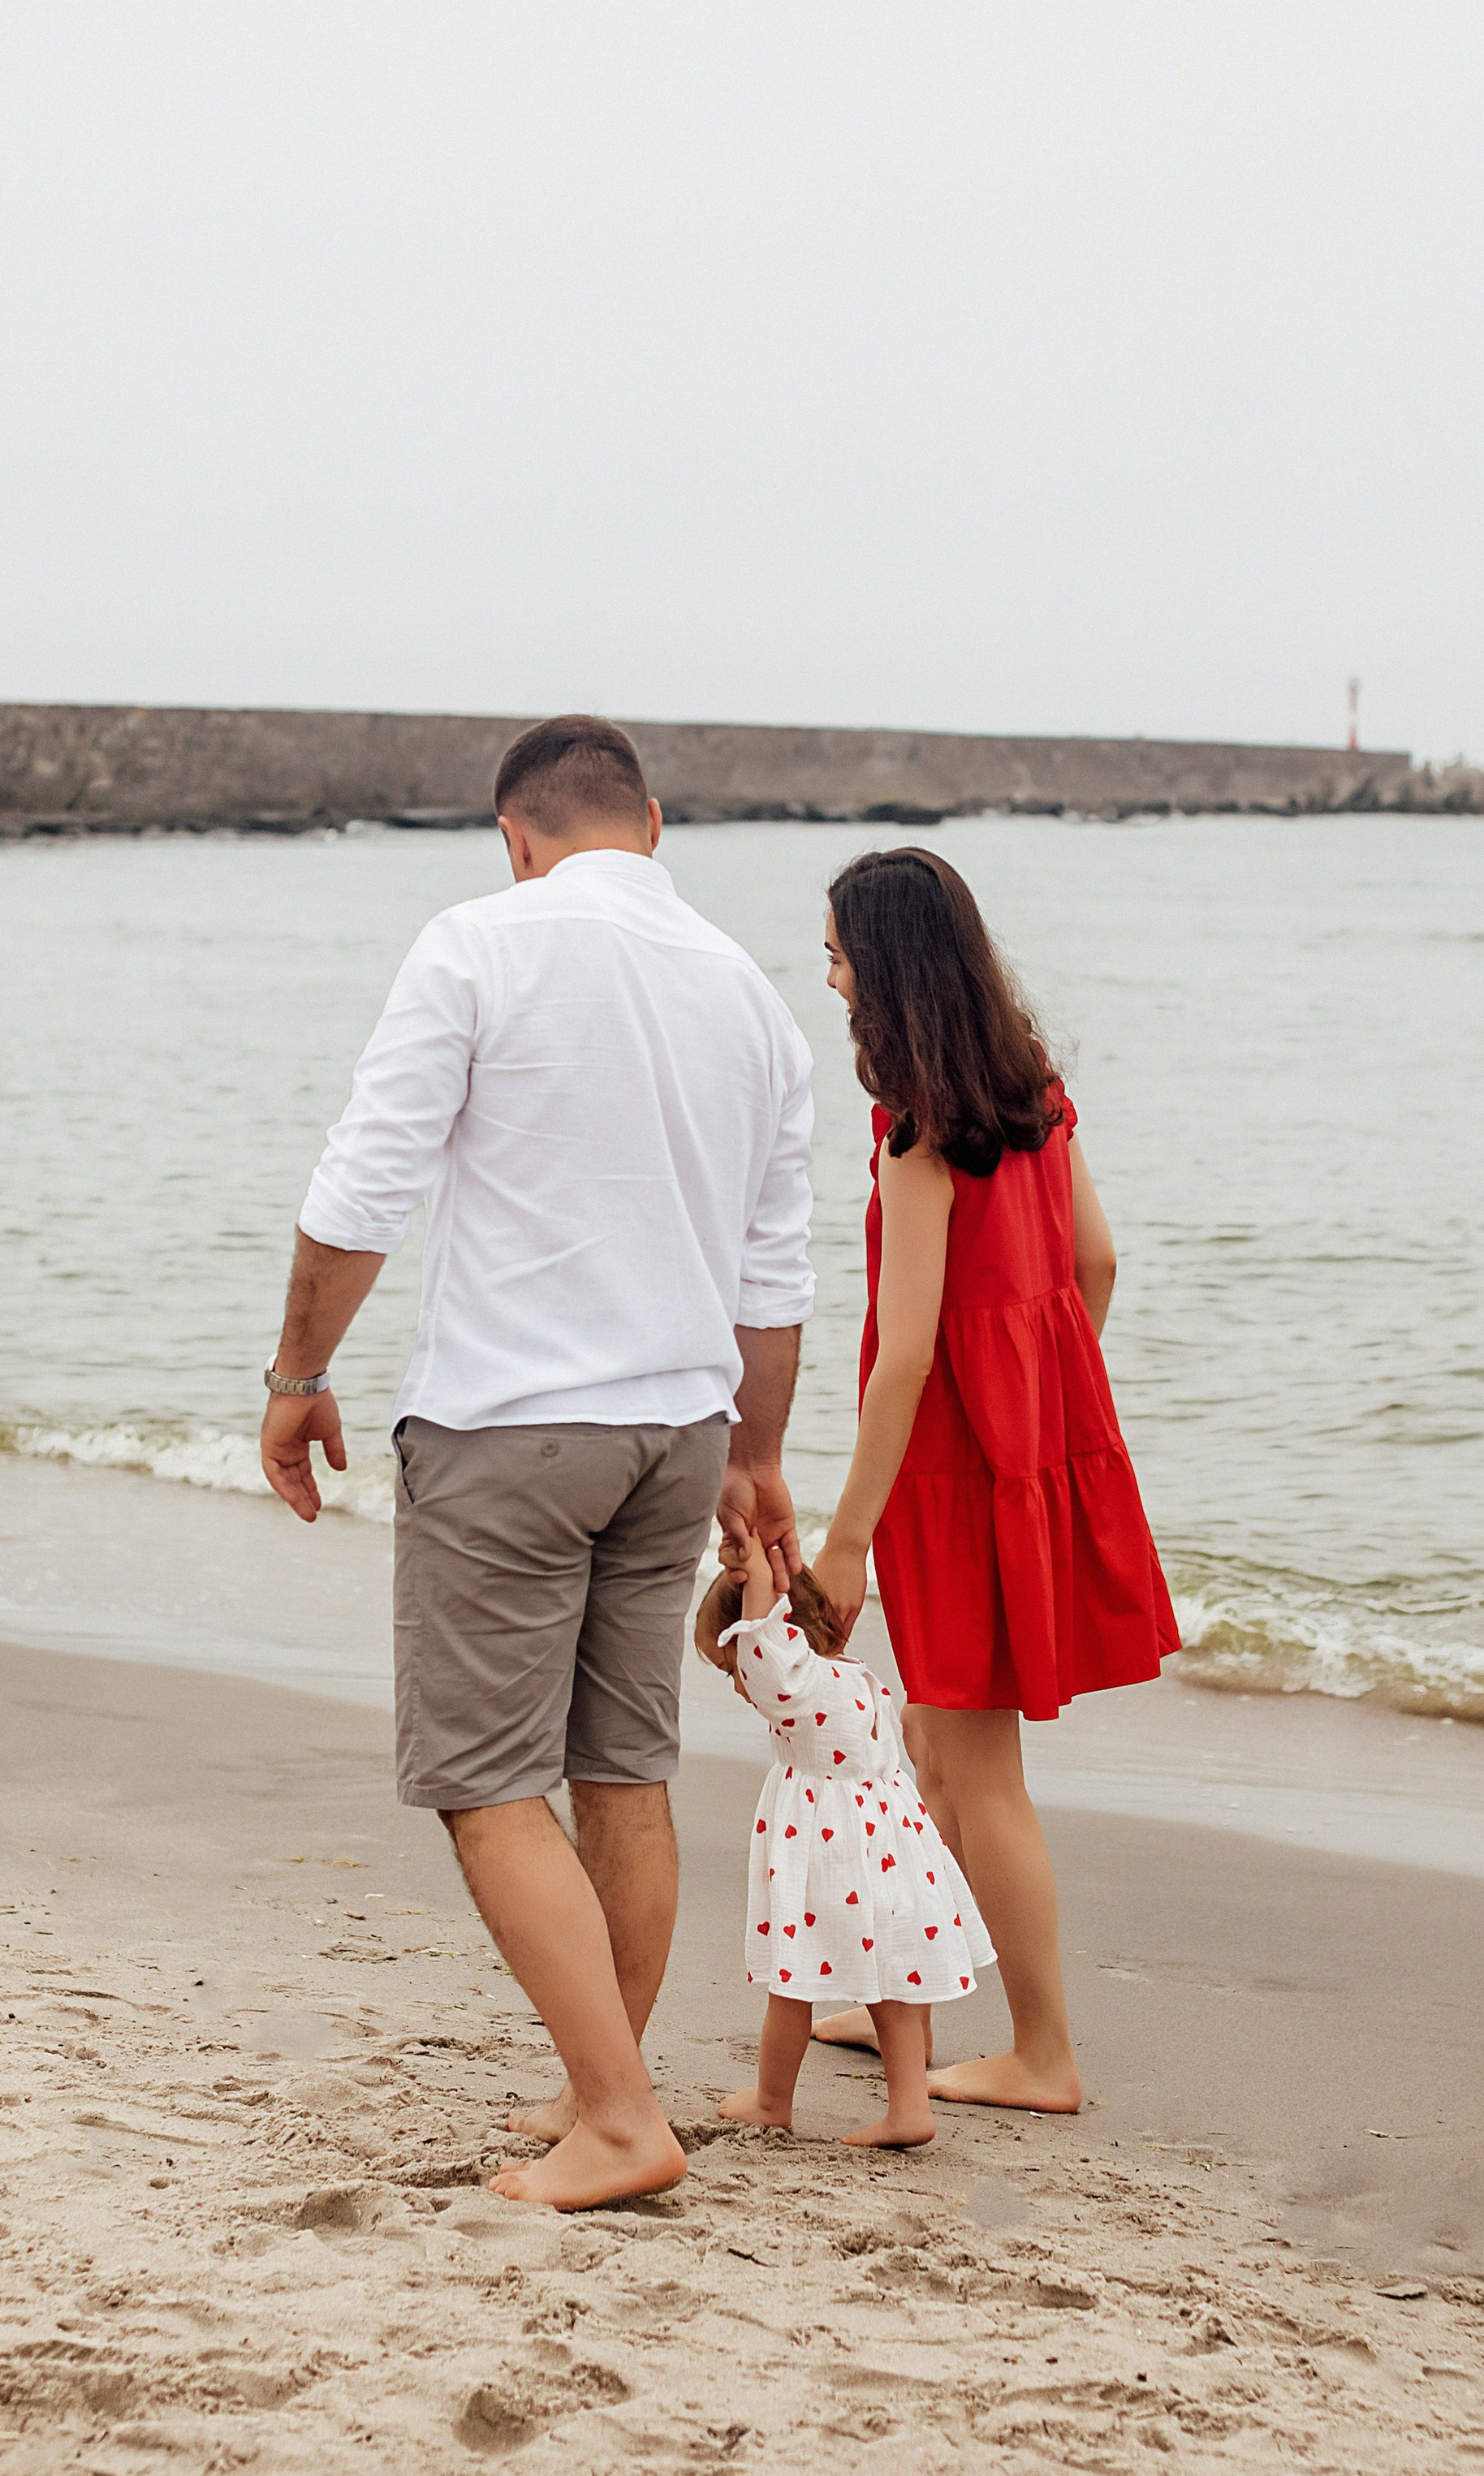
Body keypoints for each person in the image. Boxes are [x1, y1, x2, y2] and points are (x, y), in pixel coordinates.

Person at [259, 715, 815, 2211]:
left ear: (517, 839)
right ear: (655, 824)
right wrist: (757, 1462)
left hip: (512, 1423)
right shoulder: (755, 1002)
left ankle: (623, 2120)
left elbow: (362, 1187)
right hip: (680, 1433)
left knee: (488, 1781)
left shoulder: (477, 944)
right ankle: (601, 2096)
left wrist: (299, 1375)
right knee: (621, 1769)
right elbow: (776, 1278)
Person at [809, 847, 1178, 2113]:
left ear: (892, 972)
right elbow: (1101, 1265)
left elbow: (904, 1354)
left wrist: (846, 1536)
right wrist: (1046, 1404)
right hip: (1023, 1457)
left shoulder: (919, 1135)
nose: (834, 978)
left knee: (979, 1770)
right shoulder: (1037, 1094)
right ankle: (902, 1998)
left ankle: (1044, 2054)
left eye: (842, 955)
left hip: (951, 1476)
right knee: (932, 1738)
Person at [693, 1533, 994, 2150]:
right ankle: (909, 2108)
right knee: (892, 1986)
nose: (737, 1684)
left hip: (834, 1854)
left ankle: (772, 2101)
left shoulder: (795, 1690)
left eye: (732, 1667)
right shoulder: (856, 1677)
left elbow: (765, 1649)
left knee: (792, 1979)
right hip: (892, 1847)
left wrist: (753, 1571)